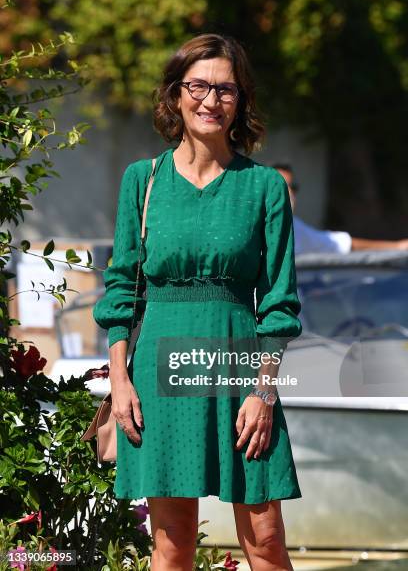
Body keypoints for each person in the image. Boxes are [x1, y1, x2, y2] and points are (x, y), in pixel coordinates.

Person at [93, 34, 302, 571]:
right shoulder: (143, 181)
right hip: (159, 373)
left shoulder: (263, 188)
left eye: (225, 89)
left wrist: (265, 392)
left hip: (239, 372)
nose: (211, 100)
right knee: (173, 542)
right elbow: (121, 290)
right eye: (198, 86)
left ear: (241, 101)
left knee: (265, 537)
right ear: (176, 95)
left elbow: (279, 303)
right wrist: (120, 380)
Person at [273, 163, 408, 255]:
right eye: (280, 185)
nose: (289, 192)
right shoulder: (254, 225)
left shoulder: (295, 229)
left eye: (292, 187)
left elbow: (341, 243)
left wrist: (398, 247)